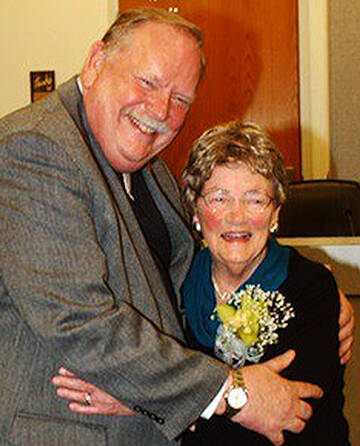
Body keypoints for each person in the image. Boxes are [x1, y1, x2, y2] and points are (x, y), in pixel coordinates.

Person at [0, 7, 353, 446]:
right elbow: (81, 322)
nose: (160, 110)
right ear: (95, 63)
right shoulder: (35, 149)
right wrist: (233, 392)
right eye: (147, 82)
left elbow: (199, 266)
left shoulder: (149, 167)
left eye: (181, 99)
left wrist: (308, 284)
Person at [178, 120, 350, 445]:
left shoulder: (312, 289)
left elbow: (291, 416)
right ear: (196, 211)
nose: (237, 216)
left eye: (255, 200)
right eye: (219, 198)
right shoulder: (173, 284)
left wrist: (187, 408)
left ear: (275, 214)